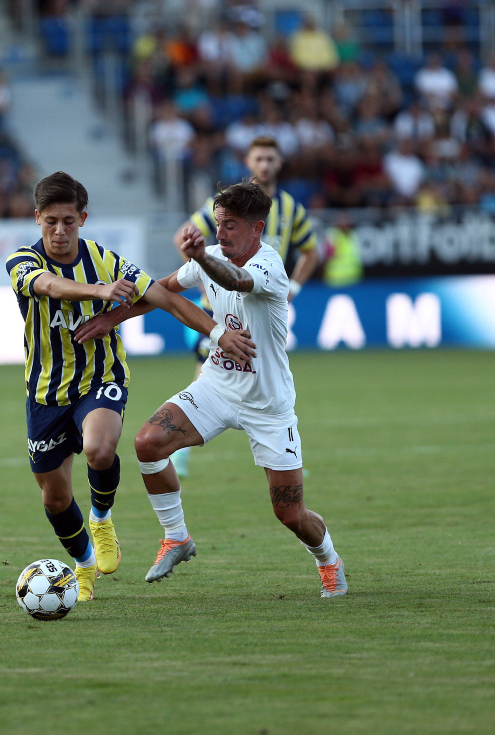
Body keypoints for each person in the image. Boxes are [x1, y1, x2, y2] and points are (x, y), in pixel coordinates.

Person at [75, 181, 347, 598]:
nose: (222, 234)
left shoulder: (268, 265)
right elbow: (161, 290)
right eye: (219, 223)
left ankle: (328, 559)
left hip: (268, 405)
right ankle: (177, 537)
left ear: (257, 229)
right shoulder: (212, 255)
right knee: (147, 443)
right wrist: (113, 319)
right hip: (216, 388)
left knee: (289, 512)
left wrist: (201, 255)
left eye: (232, 226)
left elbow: (237, 281)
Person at [5, 171, 255, 603]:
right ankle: (83, 565)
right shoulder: (22, 262)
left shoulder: (106, 259)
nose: (59, 230)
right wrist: (98, 292)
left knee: (101, 449)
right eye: (50, 221)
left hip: (101, 378)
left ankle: (101, 518)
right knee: (54, 498)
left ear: (83, 218)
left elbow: (167, 298)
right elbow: (48, 286)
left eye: (68, 220)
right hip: (46, 392)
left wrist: (217, 333)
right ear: (37, 219)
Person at [169, 135, 318, 477]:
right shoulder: (227, 204)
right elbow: (183, 236)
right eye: (259, 159)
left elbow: (311, 249)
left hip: (263, 300)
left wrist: (292, 285)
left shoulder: (291, 209)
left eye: (271, 158)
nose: (265, 165)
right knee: (212, 365)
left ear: (280, 163)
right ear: (249, 163)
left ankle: (284, 452)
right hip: (223, 303)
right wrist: (208, 277)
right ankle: (181, 452)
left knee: (271, 371)